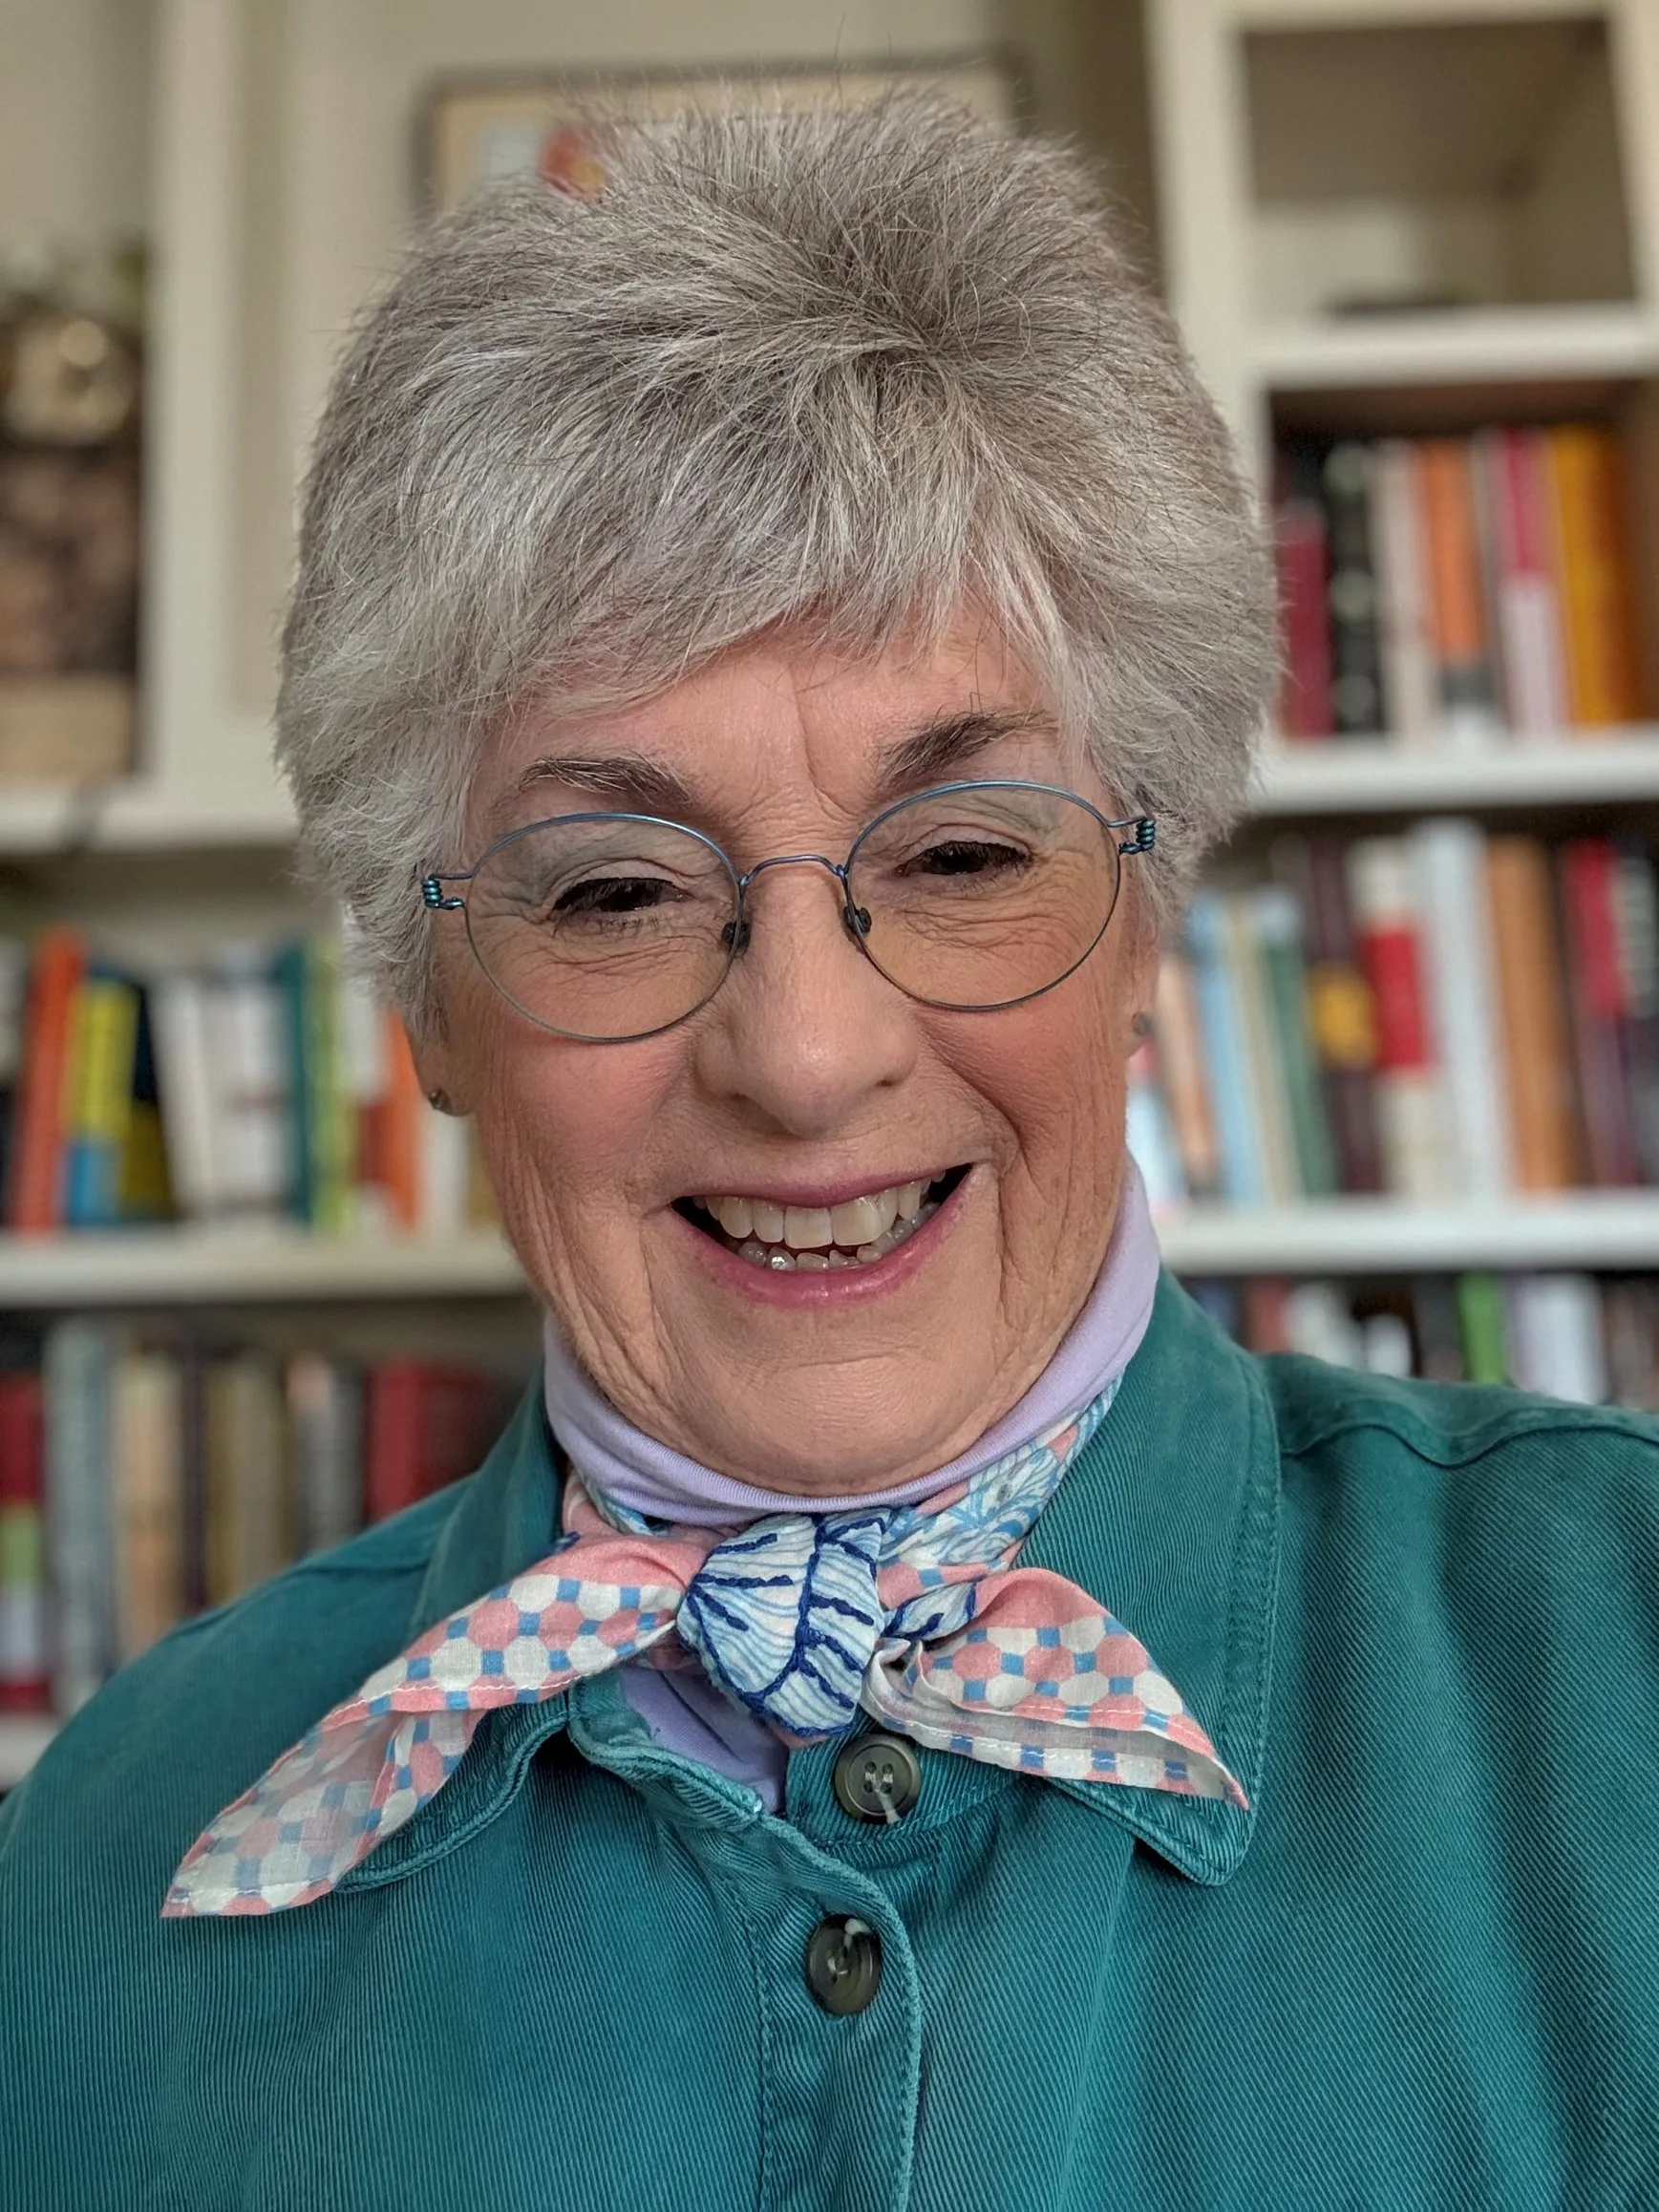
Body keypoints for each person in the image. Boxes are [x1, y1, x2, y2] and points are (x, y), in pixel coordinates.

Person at [3, 96, 1657, 2212]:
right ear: (423, 1010)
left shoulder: (1617, 1669)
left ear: (1147, 926)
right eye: (610, 888)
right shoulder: (110, 1848)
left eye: (963, 853)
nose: (804, 1054)